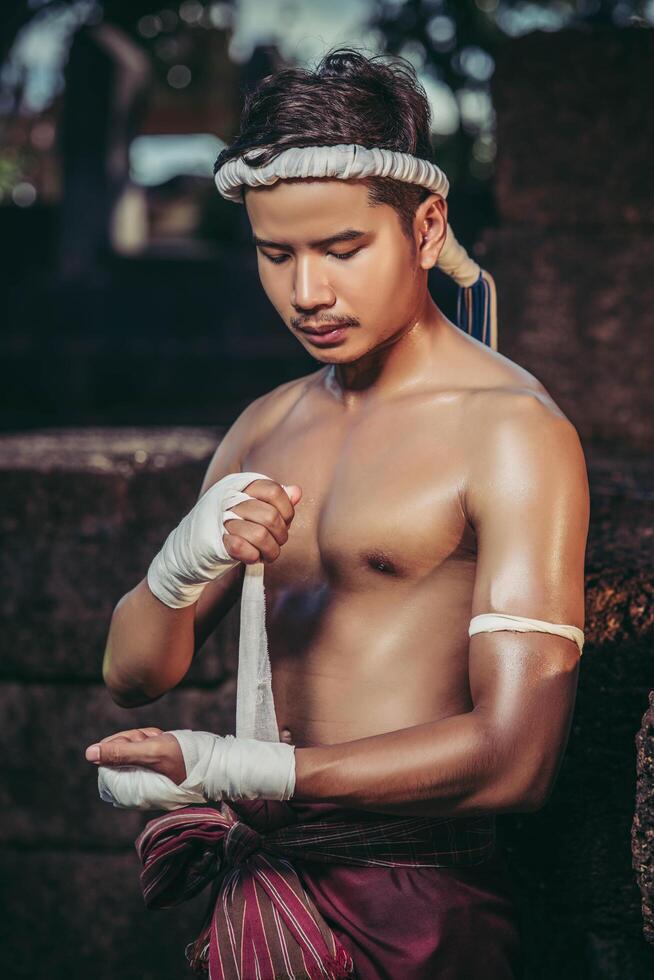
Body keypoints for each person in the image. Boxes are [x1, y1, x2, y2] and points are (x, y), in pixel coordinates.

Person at [84, 49, 589, 979]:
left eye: (342, 249)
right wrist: (175, 569)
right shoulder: (264, 426)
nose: (307, 292)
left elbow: (520, 759)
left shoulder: (513, 432)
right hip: (267, 889)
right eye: (277, 255)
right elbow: (131, 675)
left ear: (427, 227)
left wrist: (250, 771)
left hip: (422, 903)